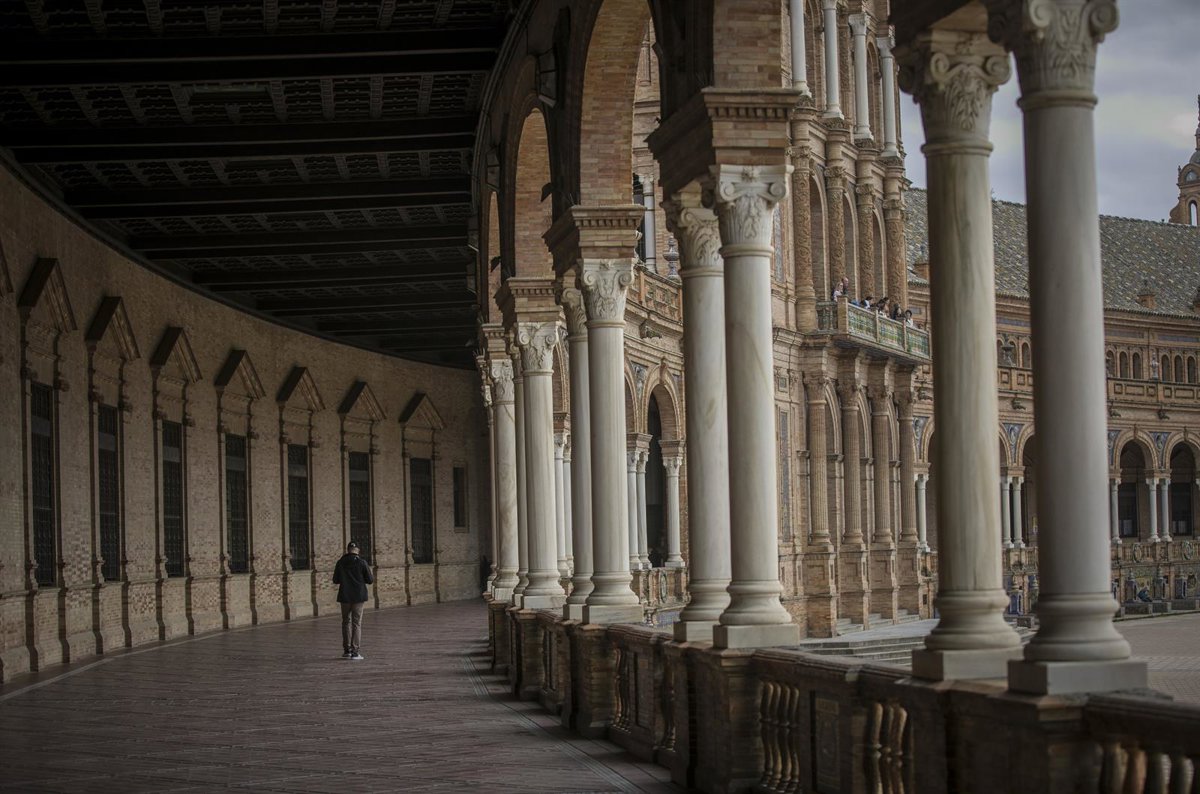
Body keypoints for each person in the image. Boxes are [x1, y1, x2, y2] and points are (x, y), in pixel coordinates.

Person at [333, 541, 373, 660]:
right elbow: (370, 580)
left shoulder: (340, 562)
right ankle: (355, 652)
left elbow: (335, 580)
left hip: (345, 596)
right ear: (358, 550)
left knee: (346, 622)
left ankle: (347, 650)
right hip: (358, 597)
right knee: (356, 623)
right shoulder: (362, 562)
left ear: (348, 550)